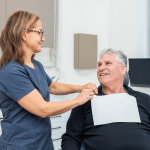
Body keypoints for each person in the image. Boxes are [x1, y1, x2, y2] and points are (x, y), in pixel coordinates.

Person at [0, 10, 98, 150]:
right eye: (39, 32)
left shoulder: (36, 65)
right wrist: (78, 100)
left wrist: (80, 87)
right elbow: (42, 109)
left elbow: (52, 87)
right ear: (24, 34)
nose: (43, 38)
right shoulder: (11, 72)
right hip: (20, 145)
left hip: (43, 142)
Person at [61, 48, 150, 150]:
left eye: (108, 63)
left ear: (123, 69)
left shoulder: (144, 99)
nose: (101, 68)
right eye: (99, 65)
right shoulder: (86, 101)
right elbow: (71, 138)